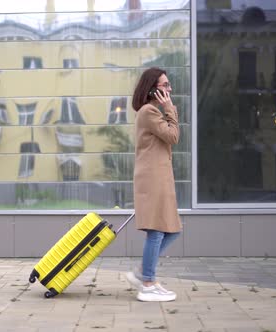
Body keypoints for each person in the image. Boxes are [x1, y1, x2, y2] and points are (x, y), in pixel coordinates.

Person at [126, 67, 182, 302]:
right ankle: (147, 282)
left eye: (169, 86)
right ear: (152, 90)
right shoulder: (149, 111)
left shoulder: (151, 112)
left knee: (172, 229)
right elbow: (173, 137)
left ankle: (143, 273)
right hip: (153, 179)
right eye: (165, 86)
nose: (169, 90)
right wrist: (170, 109)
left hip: (158, 178)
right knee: (157, 230)